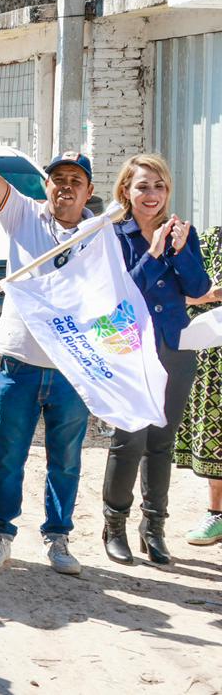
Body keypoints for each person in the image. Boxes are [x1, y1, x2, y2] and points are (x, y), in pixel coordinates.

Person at [0, 95, 94, 575]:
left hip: (71, 367)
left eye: (76, 181)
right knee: (9, 456)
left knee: (65, 460)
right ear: (46, 185)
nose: (65, 187)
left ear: (88, 191)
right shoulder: (24, 215)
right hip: (22, 361)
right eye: (58, 179)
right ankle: (0, 535)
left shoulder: (101, 235)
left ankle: (58, 539)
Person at [99, 155, 211, 564]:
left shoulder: (185, 232)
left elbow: (198, 286)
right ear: (126, 190)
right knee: (130, 440)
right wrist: (155, 250)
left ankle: (155, 527)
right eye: (143, 186)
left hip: (175, 347)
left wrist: (180, 250)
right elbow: (118, 291)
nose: (152, 195)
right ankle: (114, 525)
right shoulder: (112, 234)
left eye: (159, 186)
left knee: (161, 442)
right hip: (129, 347)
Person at [176, 226, 222, 544]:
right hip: (214, 359)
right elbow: (177, 293)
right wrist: (215, 294)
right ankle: (216, 513)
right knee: (216, 436)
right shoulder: (207, 242)